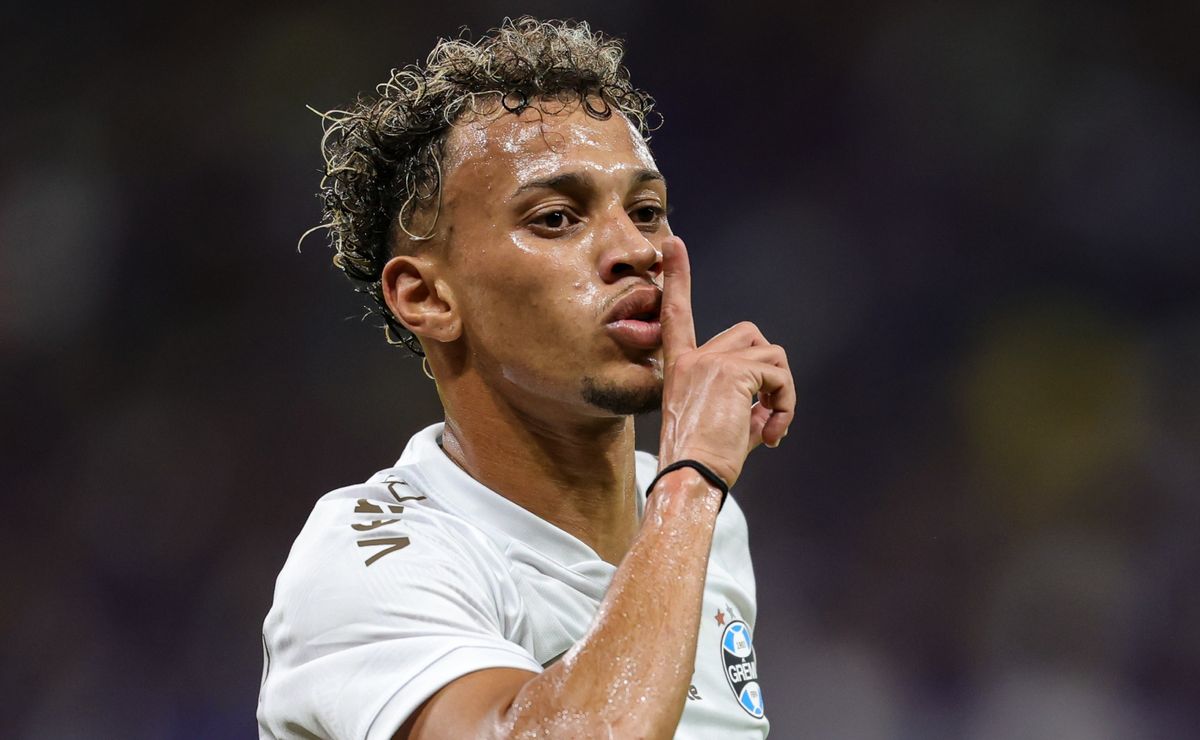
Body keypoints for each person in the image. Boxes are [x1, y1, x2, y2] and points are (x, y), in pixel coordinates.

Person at [257, 17, 794, 739]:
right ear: (427, 296)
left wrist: (685, 495)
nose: (636, 250)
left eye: (646, 212)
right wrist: (691, 481)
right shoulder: (372, 561)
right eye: (556, 218)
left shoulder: (704, 522)